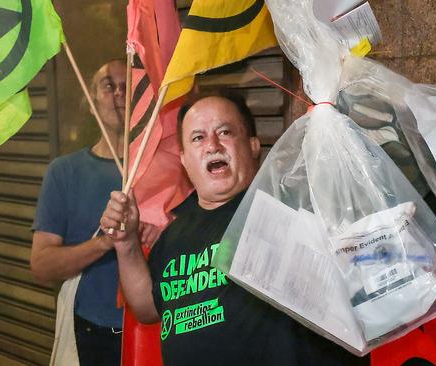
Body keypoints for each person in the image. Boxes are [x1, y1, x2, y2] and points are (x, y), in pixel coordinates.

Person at [100, 94, 369, 365]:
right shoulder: (173, 234)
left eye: (225, 132)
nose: (212, 146)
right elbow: (147, 308)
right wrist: (126, 243)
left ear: (253, 145)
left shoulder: (287, 205)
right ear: (183, 159)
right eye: (198, 138)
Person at [31, 59, 129, 365]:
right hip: (90, 336)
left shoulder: (167, 167)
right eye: (109, 85)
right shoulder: (64, 172)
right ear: (90, 102)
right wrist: (103, 243)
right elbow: (42, 265)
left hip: (154, 332)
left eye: (129, 87)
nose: (119, 94)